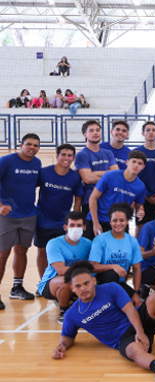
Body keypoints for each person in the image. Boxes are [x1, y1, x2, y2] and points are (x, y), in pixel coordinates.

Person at [53, 261, 155, 382]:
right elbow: (67, 336)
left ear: (94, 280)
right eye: (78, 286)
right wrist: (62, 346)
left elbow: (129, 309)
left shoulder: (111, 288)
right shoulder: (72, 314)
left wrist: (140, 331)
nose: (83, 288)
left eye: (86, 283)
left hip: (139, 321)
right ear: (72, 288)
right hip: (123, 338)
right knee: (133, 351)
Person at [0, 134, 42, 306]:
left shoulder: (37, 163)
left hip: (28, 214)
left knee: (21, 251)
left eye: (36, 145)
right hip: (7, 216)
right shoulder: (7, 161)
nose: (32, 147)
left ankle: (17, 288)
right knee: (3, 254)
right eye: (29, 144)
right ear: (20, 145)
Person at [35, 144, 83, 282]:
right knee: (42, 252)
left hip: (62, 223)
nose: (66, 158)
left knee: (62, 254)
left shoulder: (75, 177)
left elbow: (78, 199)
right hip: (43, 221)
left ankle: (60, 281)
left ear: (73, 158)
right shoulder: (44, 172)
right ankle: (43, 282)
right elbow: (27, 186)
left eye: (69, 155)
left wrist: (74, 220)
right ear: (57, 156)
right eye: (63, 154)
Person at [38, 211, 92, 323]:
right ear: (65, 227)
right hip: (52, 283)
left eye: (79, 225)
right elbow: (61, 270)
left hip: (78, 281)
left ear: (84, 227)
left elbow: (93, 266)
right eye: (72, 225)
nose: (75, 228)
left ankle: (72, 300)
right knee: (65, 281)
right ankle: (64, 311)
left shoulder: (88, 244)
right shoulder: (54, 243)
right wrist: (84, 272)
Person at [89, 203, 144, 302]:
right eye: (114, 220)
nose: (118, 223)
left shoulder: (132, 241)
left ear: (127, 221)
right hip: (100, 283)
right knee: (111, 274)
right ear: (110, 221)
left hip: (119, 284)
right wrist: (113, 266)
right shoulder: (100, 239)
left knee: (139, 308)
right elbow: (92, 267)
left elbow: (136, 269)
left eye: (122, 220)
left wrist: (136, 292)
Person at [87, 151, 147, 238]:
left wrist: (140, 213)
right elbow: (93, 198)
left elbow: (139, 208)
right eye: (133, 161)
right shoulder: (110, 176)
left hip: (119, 224)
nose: (136, 165)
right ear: (127, 162)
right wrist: (95, 223)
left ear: (143, 167)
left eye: (140, 163)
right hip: (98, 220)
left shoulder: (141, 187)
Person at [76, 121, 119, 223]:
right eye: (91, 130)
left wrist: (94, 174)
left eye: (98, 130)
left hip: (108, 201)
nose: (95, 133)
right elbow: (88, 179)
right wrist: (108, 175)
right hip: (89, 201)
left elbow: (116, 175)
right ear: (85, 134)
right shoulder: (82, 155)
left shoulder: (108, 153)